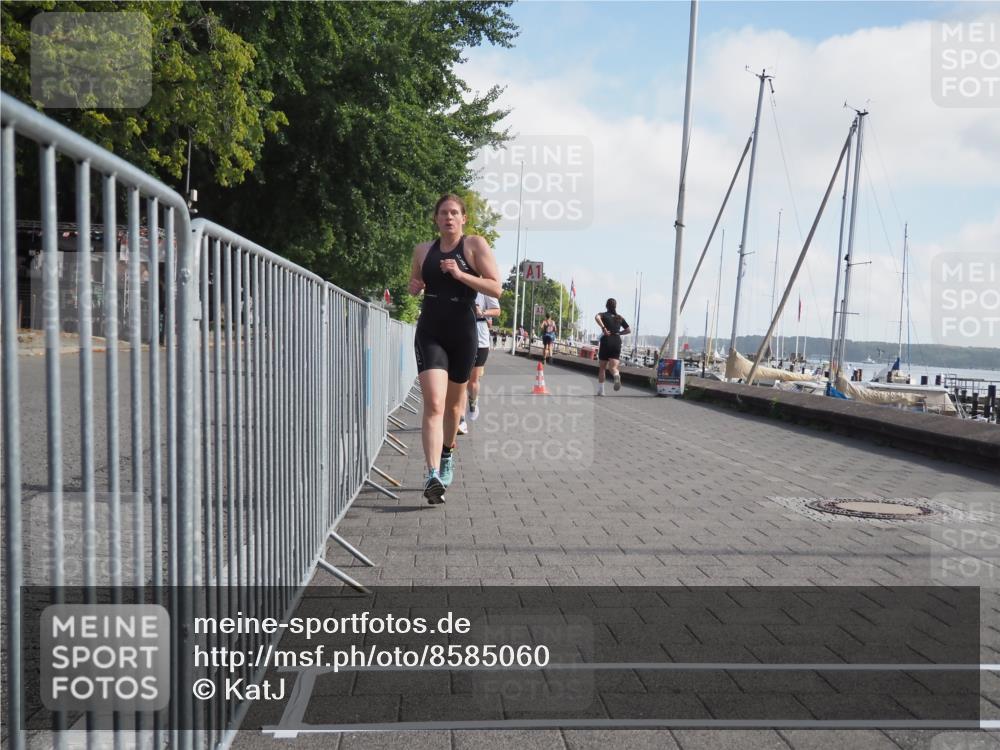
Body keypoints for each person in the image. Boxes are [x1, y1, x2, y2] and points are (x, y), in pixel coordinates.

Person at [409, 194, 502, 503]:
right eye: (443, 213)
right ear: (436, 218)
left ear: (463, 218)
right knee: (434, 404)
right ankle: (432, 474)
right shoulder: (423, 250)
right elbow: (415, 282)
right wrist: (414, 287)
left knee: (452, 408)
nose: (448, 217)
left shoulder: (474, 245)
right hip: (431, 330)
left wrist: (461, 275)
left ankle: (447, 454)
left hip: (463, 331)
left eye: (454, 213)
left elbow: (496, 287)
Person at [465, 292, 500, 424]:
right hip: (460, 333)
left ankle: (473, 401)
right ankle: (460, 419)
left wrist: (483, 312)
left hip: (480, 338)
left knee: (473, 380)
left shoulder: (485, 288)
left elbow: (497, 311)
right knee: (460, 380)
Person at [594, 298, 631, 396]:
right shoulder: (619, 317)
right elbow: (628, 330)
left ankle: (601, 391)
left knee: (602, 368)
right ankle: (616, 374)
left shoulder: (603, 314)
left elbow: (596, 317)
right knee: (613, 367)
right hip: (616, 341)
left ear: (606, 306)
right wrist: (619, 333)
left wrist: (604, 328)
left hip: (606, 340)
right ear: (615, 306)